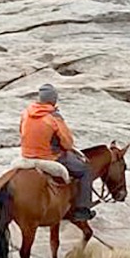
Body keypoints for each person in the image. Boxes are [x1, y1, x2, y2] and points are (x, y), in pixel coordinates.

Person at [19, 84, 95, 222]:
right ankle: (82, 210)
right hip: (49, 157)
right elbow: (67, 143)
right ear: (53, 99)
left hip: (26, 155)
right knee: (84, 170)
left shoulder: (26, 113)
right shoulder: (54, 117)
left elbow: (21, 132)